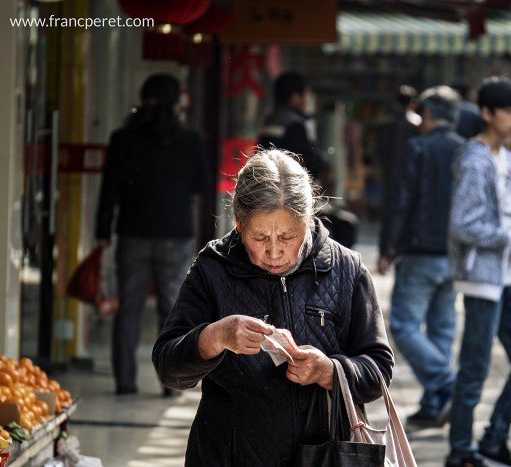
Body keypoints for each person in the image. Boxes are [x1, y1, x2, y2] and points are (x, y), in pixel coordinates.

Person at [152, 148, 394, 466]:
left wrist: (330, 371)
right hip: (226, 456)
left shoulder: (345, 268)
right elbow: (168, 368)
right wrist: (215, 336)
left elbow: (378, 369)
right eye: (260, 237)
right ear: (239, 225)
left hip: (319, 457)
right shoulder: (214, 268)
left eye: (287, 236)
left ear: (308, 222)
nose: (275, 251)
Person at [447, 77, 511, 467]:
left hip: (510, 275)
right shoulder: (475, 160)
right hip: (484, 278)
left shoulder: (507, 157)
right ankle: (461, 452)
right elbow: (462, 224)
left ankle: (493, 439)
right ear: (487, 113)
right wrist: (510, 237)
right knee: (474, 368)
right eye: (509, 110)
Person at [95, 73, 210, 397]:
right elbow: (201, 185)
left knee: (129, 307)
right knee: (172, 308)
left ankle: (125, 381)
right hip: (175, 234)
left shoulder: (123, 138)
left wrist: (102, 232)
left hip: (132, 232)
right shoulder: (190, 141)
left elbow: (109, 191)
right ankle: (171, 383)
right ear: (177, 104)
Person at [377, 86, 464, 428]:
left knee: (403, 325)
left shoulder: (417, 148)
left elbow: (400, 202)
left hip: (420, 252)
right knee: (442, 328)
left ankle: (445, 383)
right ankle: (434, 404)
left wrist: (388, 249)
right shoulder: (466, 150)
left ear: (427, 115)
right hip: (454, 255)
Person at [258, 71, 358, 248]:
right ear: (294, 97)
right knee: (346, 226)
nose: (308, 100)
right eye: (306, 94)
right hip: (289, 199)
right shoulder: (294, 125)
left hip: (267, 196)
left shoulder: (270, 120)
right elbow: (313, 164)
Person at [371, 85, 420, 209]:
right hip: (411, 174)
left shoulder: (387, 123)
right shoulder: (418, 123)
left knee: (391, 209)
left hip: (391, 174)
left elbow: (377, 150)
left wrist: (379, 169)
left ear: (395, 103)